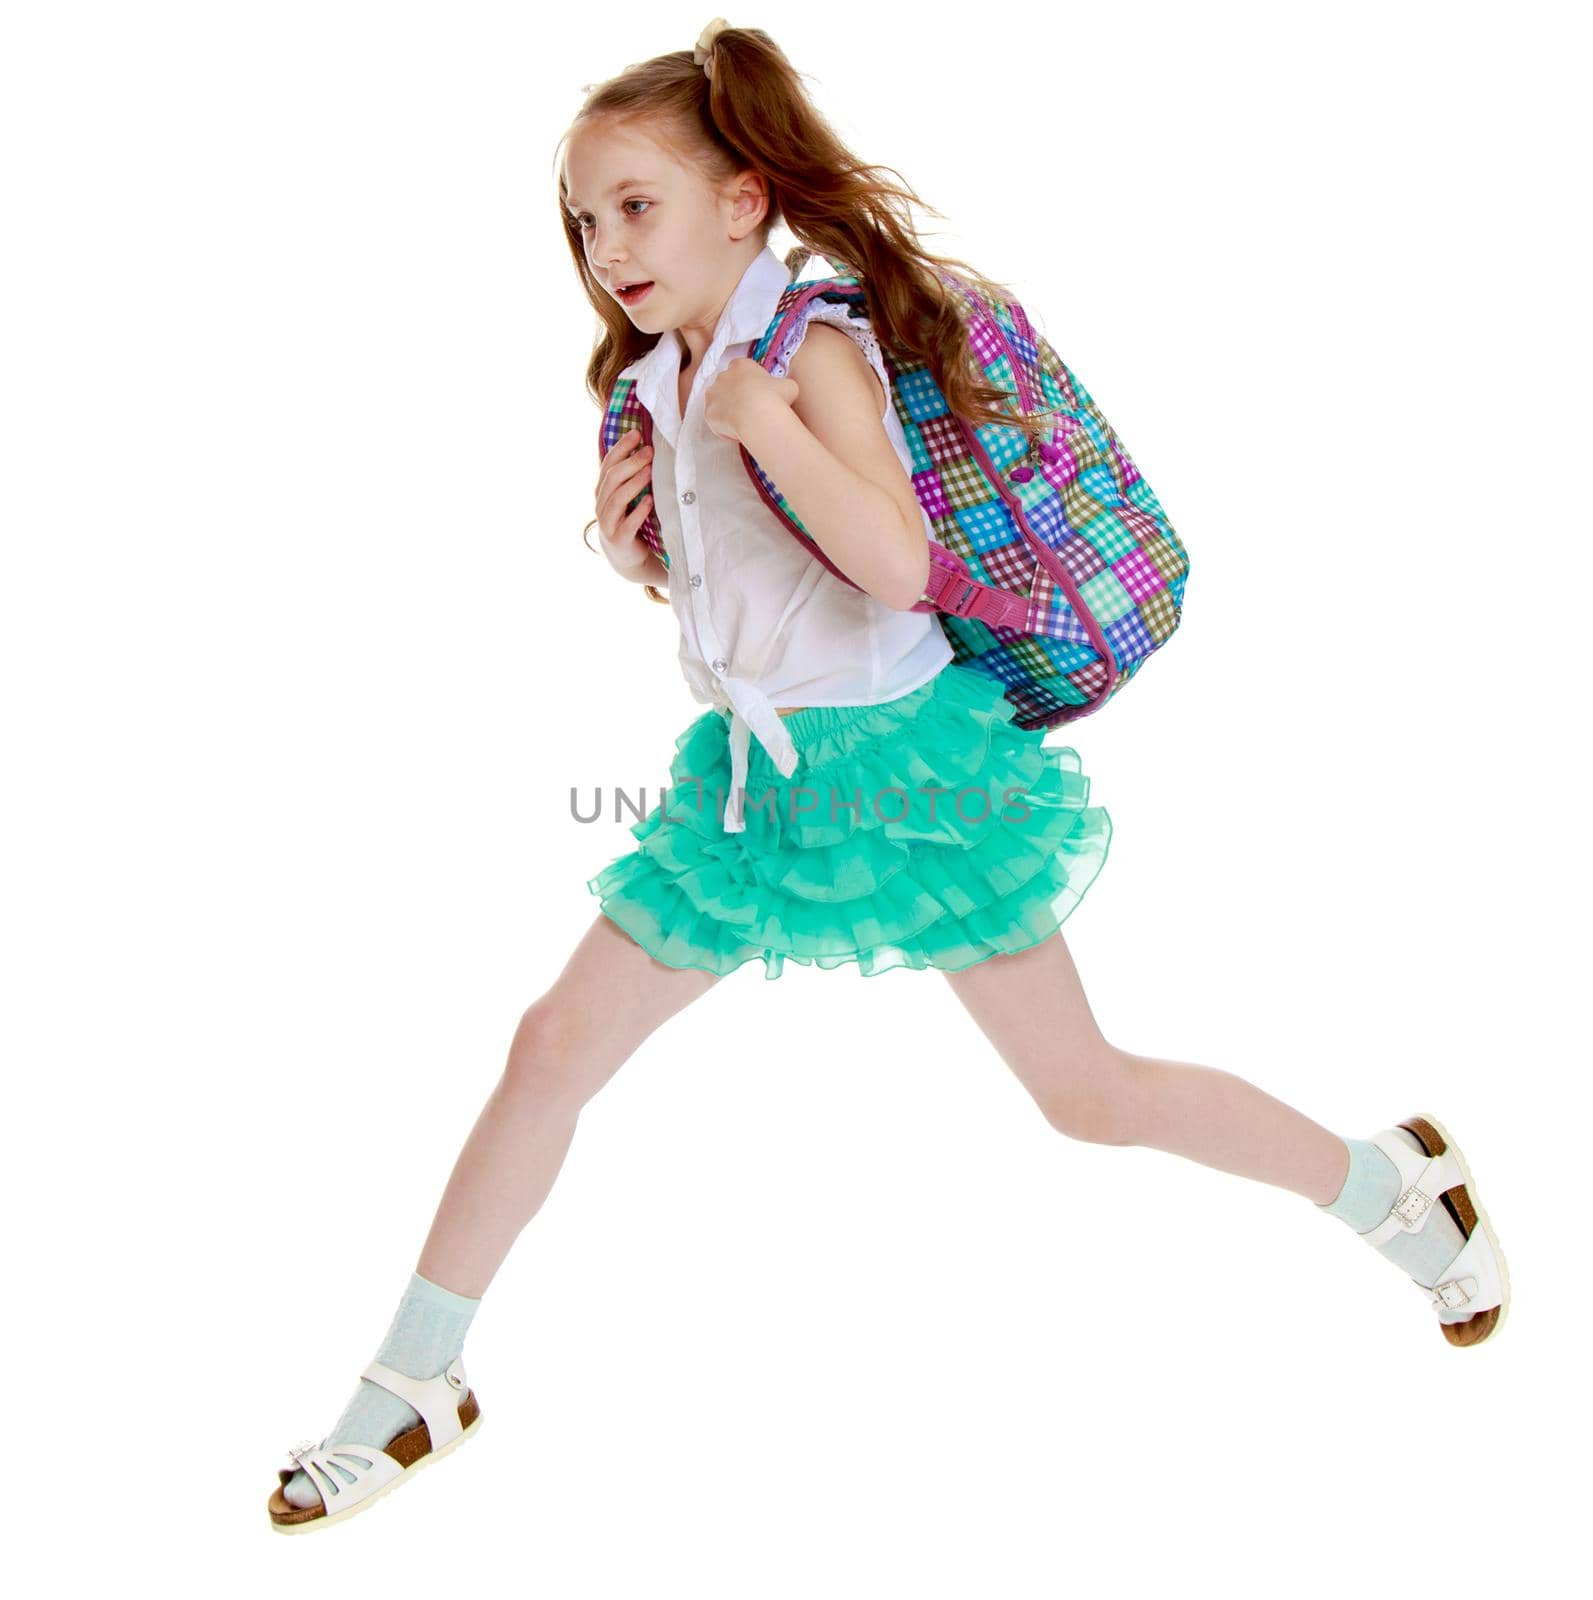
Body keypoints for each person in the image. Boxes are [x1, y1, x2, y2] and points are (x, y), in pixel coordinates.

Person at [265, 17, 1509, 1534]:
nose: (602, 246)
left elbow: (897, 564)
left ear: (742, 199)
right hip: (750, 787)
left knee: (1084, 1094)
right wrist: (627, 541)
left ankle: (1386, 1187)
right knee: (548, 1050)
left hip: (910, 779)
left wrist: (767, 426)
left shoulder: (808, 349)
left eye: (635, 205)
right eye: (583, 221)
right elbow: (744, 606)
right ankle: (415, 1384)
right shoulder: (663, 375)